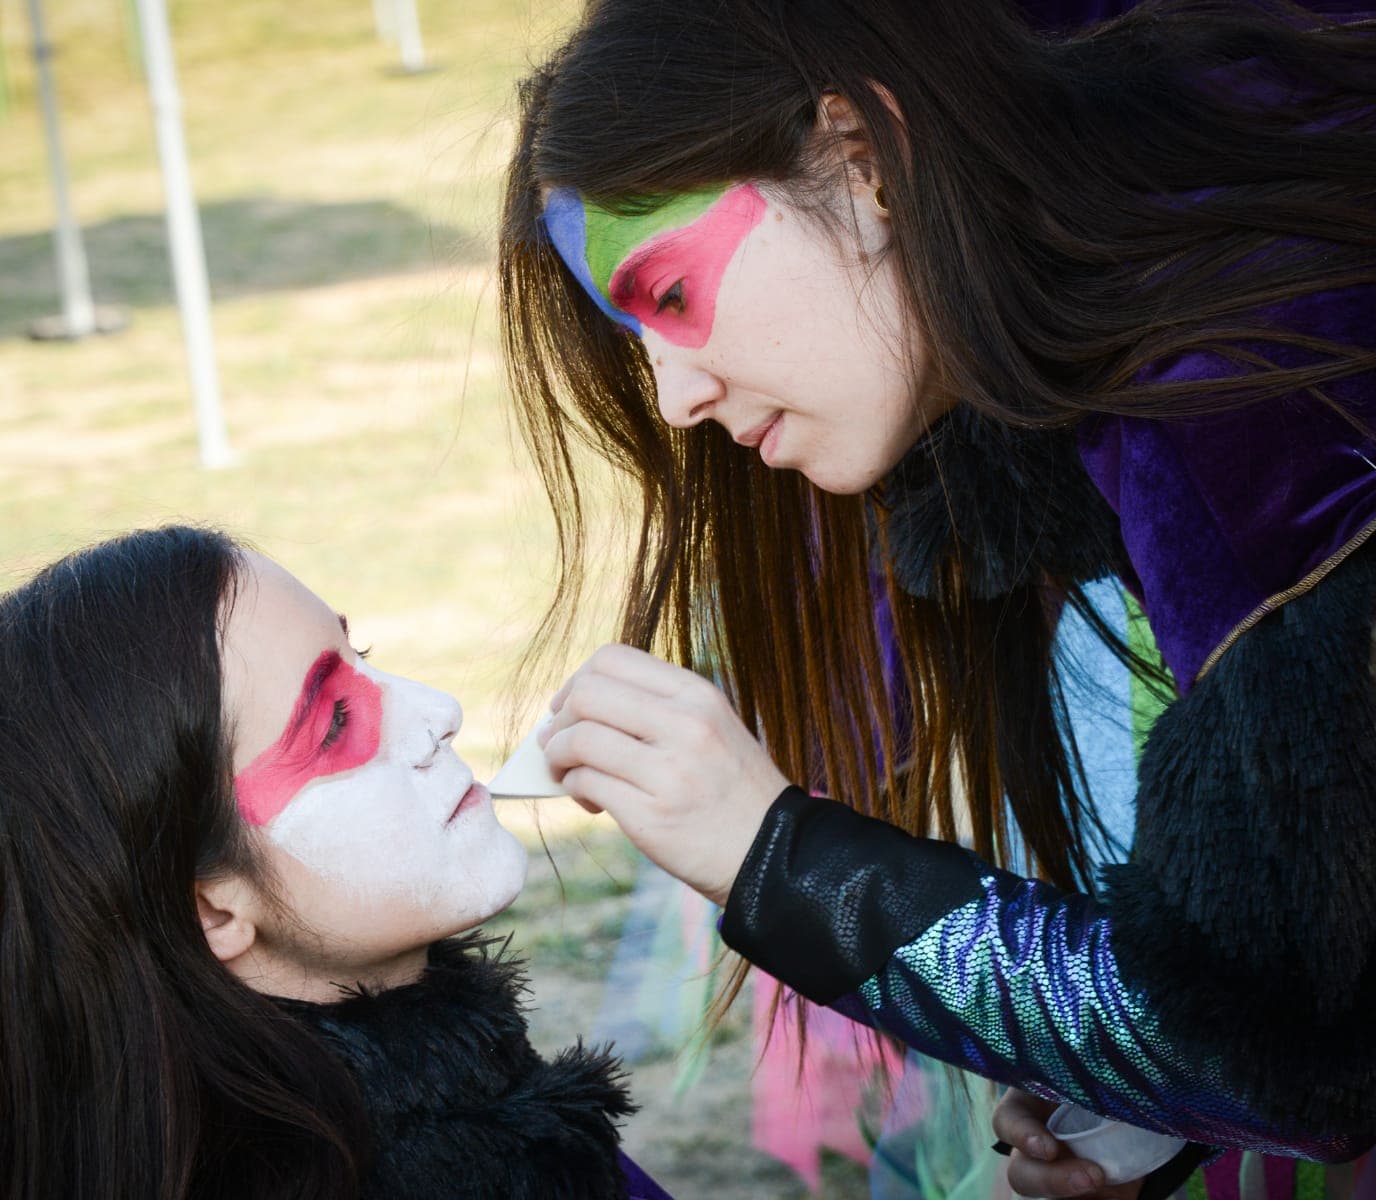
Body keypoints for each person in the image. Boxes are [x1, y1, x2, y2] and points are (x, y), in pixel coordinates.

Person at [498, 0, 1376, 1195]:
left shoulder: (1245, 418)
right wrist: (1143, 1096)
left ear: (863, 156)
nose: (674, 399)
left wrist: (779, 860)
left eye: (669, 296)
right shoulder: (1188, 294)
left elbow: (1294, 1046)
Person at [0, 525, 670, 1199]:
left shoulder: (486, 1121)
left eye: (362, 655)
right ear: (211, 909)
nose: (438, 713)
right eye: (334, 723)